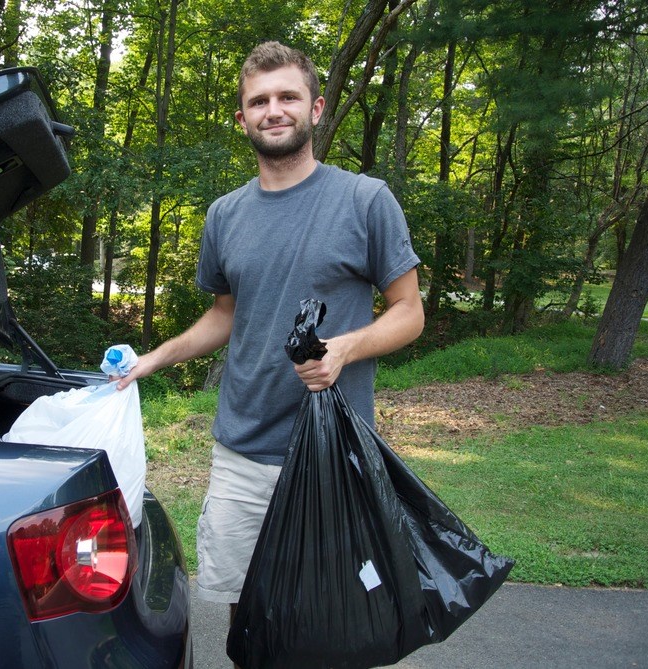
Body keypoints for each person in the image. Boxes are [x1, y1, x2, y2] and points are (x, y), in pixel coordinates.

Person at [115, 40, 424, 629]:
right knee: (249, 618)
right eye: (259, 101)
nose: (273, 109)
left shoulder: (365, 200)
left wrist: (346, 347)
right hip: (241, 451)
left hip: (334, 452)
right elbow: (225, 315)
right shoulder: (224, 215)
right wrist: (153, 358)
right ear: (242, 119)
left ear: (316, 108)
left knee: (334, 618)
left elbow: (409, 310)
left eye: (288, 96)